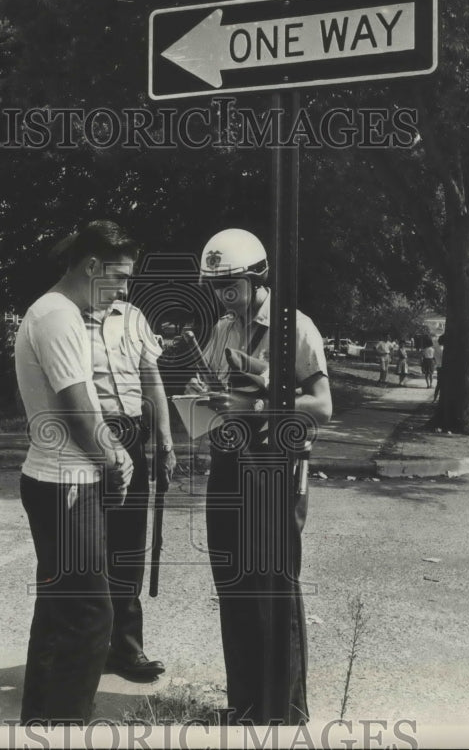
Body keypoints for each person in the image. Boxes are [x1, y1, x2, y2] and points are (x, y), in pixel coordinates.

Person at [185, 228, 332, 725]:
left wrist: (258, 403)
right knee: (233, 583)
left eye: (231, 285)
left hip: (276, 467)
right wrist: (202, 393)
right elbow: (215, 386)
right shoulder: (225, 330)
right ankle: (244, 704)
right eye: (216, 287)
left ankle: (284, 711)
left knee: (273, 585)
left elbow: (322, 406)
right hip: (229, 465)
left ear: (256, 278)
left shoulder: (295, 327)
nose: (223, 296)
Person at [14, 221, 137, 725]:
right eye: (121, 277)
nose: (125, 290)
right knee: (90, 617)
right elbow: (78, 409)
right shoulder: (59, 317)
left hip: (58, 480)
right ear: (92, 267)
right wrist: (117, 456)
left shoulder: (53, 312)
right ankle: (66, 727)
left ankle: (40, 724)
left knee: (58, 613)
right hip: (65, 483)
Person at [81, 289, 176, 681]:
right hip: (89, 435)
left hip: (133, 435)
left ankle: (126, 648)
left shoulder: (133, 316)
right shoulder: (70, 316)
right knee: (86, 547)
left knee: (129, 546)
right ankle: (86, 648)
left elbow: (152, 382)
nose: (123, 283)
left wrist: (165, 442)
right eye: (116, 270)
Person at [432, 334, 445, 402]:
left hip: (438, 366)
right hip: (443, 367)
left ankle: (435, 398)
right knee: (443, 384)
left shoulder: (436, 348)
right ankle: (439, 398)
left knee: (439, 383)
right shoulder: (442, 349)